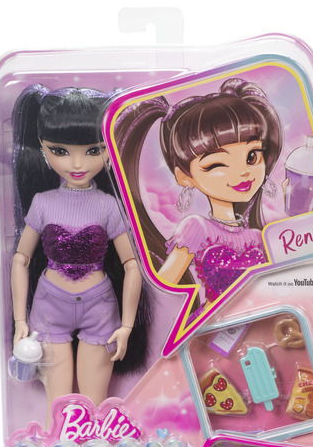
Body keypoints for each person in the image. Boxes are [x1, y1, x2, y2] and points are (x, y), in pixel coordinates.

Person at [10, 85, 147, 412]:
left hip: (99, 307)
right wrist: (19, 321)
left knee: (95, 404)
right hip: (49, 306)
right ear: (42, 147)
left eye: (93, 150)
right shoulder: (42, 203)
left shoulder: (108, 205)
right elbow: (21, 259)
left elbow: (131, 265)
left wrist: (127, 326)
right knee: (57, 407)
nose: (76, 162)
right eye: (60, 151)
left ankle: (97, 442)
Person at [115, 78, 283, 312]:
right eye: (217, 164)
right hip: (211, 323)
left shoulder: (257, 237)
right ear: (185, 177)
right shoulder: (197, 228)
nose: (243, 172)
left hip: (256, 317)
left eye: (252, 156)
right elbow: (162, 289)